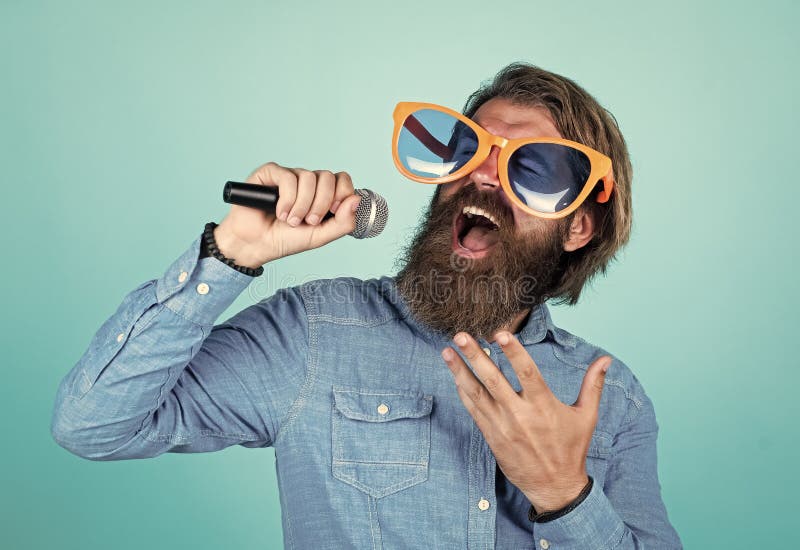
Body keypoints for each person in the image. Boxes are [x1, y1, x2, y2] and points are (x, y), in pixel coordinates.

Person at [51, 63, 682, 549]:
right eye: (468, 148)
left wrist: (564, 496)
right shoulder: (315, 334)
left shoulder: (611, 399)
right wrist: (229, 253)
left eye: (535, 170)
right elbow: (94, 424)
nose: (484, 177)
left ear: (579, 229)